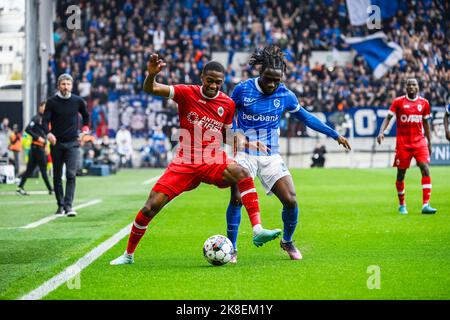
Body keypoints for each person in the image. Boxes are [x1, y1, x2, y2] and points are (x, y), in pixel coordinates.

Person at [110, 54, 282, 265]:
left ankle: (257, 229)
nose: (213, 85)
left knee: (242, 172)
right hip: (185, 161)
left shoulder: (227, 104)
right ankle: (128, 255)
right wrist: (151, 75)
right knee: (150, 207)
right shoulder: (185, 92)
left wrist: (247, 143)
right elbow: (151, 89)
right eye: (210, 80)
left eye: (218, 82)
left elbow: (227, 134)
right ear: (202, 77)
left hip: (212, 159)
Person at [226, 45, 351, 262]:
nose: (272, 84)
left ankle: (287, 240)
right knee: (237, 198)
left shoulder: (285, 95)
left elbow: (307, 118)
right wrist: (233, 136)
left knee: (291, 200)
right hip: (245, 151)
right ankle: (232, 248)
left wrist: (334, 134)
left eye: (277, 80)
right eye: (268, 79)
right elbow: (226, 116)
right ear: (260, 72)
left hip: (271, 154)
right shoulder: (242, 90)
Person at [377, 78, 437, 215]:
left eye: (414, 84)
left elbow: (426, 125)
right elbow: (388, 117)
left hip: (419, 142)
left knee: (425, 168)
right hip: (403, 143)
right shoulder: (398, 102)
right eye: (409, 84)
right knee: (401, 174)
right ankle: (402, 204)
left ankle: (426, 205)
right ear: (405, 87)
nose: (411, 86)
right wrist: (381, 132)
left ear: (418, 87)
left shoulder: (424, 103)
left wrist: (429, 142)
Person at [42, 73, 90, 216]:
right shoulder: (51, 102)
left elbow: (86, 116)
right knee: (57, 176)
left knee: (71, 174)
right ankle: (60, 205)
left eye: (68, 84)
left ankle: (68, 206)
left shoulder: (78, 101)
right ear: (59, 85)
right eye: (63, 84)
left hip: (73, 143)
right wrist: (48, 134)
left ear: (72, 85)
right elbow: (44, 121)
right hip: (56, 143)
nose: (66, 87)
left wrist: (85, 131)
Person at [16, 102, 53, 195]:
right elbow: (27, 129)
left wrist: (45, 145)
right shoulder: (36, 118)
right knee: (43, 169)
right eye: (43, 107)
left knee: (30, 169)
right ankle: (50, 189)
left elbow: (44, 134)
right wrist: (37, 137)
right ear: (40, 108)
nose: (44, 109)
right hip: (36, 147)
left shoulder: (46, 119)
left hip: (40, 147)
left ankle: (20, 187)